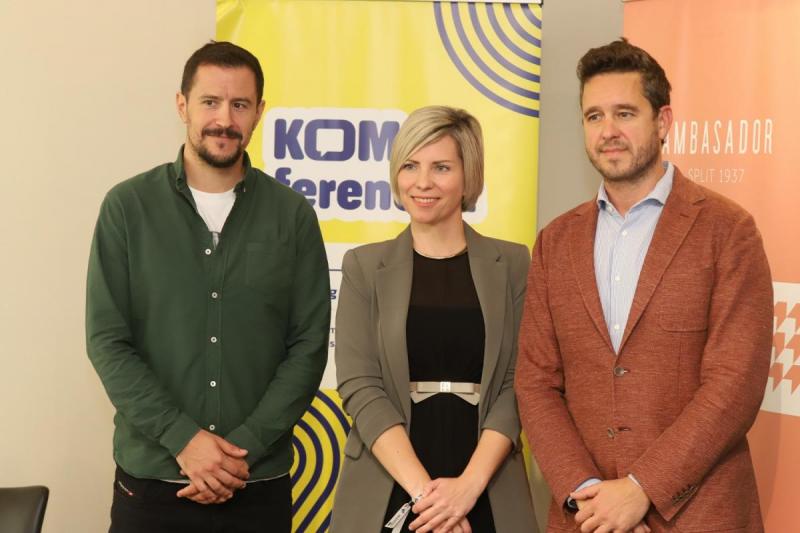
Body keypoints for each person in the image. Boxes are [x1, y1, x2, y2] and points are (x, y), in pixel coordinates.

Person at [515, 38, 773, 533]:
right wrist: (588, 495)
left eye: (625, 113)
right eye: (594, 116)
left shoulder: (728, 230)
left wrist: (640, 490)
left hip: (700, 515)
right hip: (585, 518)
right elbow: (536, 382)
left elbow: (735, 383)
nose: (608, 131)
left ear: (663, 121)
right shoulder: (556, 241)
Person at [86, 41, 330, 533]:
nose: (225, 119)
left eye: (240, 104)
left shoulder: (292, 216)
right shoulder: (127, 208)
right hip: (152, 482)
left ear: (259, 112)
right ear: (182, 105)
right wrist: (183, 439)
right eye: (210, 102)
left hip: (257, 484)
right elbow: (108, 342)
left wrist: (242, 449)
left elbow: (308, 347)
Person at [330, 106, 538, 533]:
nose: (422, 182)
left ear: (468, 175)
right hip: (390, 477)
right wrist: (429, 499)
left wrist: (467, 490)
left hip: (488, 478)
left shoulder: (514, 263)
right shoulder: (363, 266)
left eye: (441, 167)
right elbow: (359, 384)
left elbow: (520, 382)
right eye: (410, 166)